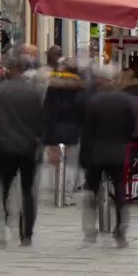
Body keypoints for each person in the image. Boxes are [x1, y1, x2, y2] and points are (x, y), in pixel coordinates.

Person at [0, 57, 44, 247]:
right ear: (22, 70)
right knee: (28, 190)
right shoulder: (34, 93)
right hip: (29, 147)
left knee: (4, 188)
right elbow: (42, 119)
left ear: (8, 70)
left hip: (3, 147)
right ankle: (27, 232)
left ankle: (4, 224)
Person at [79, 68, 137, 247]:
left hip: (96, 152)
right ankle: (120, 232)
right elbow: (131, 127)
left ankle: (89, 231)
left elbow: (87, 131)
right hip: (117, 151)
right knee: (119, 191)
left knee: (91, 192)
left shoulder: (93, 101)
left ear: (101, 80)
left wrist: (84, 156)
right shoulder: (126, 101)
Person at [42, 62, 87, 203]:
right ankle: (67, 195)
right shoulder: (80, 89)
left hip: (53, 129)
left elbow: (46, 111)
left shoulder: (52, 88)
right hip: (73, 129)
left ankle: (56, 191)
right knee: (71, 163)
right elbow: (83, 111)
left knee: (55, 162)